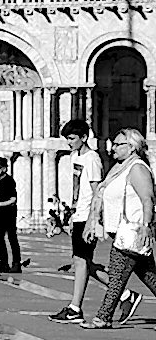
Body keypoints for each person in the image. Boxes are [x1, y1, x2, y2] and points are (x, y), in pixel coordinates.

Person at [49, 120, 139, 324]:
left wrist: (94, 219)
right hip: (78, 215)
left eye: (72, 139)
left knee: (80, 262)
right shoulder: (76, 156)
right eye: (67, 139)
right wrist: (71, 213)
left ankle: (75, 308)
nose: (69, 143)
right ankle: (125, 295)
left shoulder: (92, 159)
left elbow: (98, 190)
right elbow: (77, 189)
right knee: (83, 263)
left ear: (83, 137)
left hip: (87, 217)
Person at [82, 128, 156, 329]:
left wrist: (146, 227)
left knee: (116, 278)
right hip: (122, 233)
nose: (112, 147)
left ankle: (103, 317)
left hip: (132, 231)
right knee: (150, 277)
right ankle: (104, 317)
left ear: (131, 147)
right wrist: (93, 221)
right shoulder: (119, 167)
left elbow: (147, 200)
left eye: (117, 144)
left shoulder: (138, 168)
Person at [0, 157, 23, 273]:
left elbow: (13, 199)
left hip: (9, 213)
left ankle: (16, 263)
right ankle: (3, 263)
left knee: (12, 238)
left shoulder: (9, 181)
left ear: (4, 169)